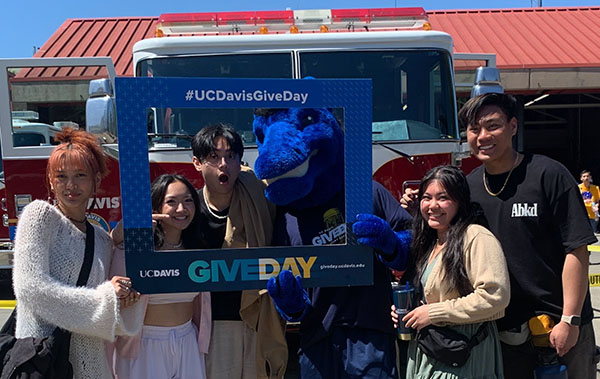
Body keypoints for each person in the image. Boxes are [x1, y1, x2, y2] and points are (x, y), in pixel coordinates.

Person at [402, 93, 597, 378]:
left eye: (492, 126)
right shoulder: (468, 188)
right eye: (474, 129)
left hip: (559, 327)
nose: (482, 136)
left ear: (513, 126)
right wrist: (418, 209)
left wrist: (570, 319)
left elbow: (577, 249)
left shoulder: (548, 175)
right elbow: (448, 239)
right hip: (502, 331)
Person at [12, 128, 140, 379]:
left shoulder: (103, 239)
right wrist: (106, 298)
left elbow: (110, 317)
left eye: (80, 175)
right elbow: (31, 288)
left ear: (96, 181)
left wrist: (124, 301)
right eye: (61, 176)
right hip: (41, 363)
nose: (71, 185)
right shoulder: (39, 216)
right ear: (50, 181)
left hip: (92, 368)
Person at [392, 165, 510, 378]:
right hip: (430, 351)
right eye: (427, 197)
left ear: (460, 201)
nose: (432, 205)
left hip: (464, 355)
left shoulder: (476, 236)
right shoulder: (428, 242)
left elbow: (495, 297)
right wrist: (408, 313)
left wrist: (433, 313)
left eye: (443, 198)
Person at [191, 123, 287, 379]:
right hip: (214, 327)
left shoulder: (259, 196)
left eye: (231, 156)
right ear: (197, 163)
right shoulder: (189, 210)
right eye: (214, 157)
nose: (224, 164)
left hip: (258, 318)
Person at [110, 174, 209, 379]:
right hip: (144, 345)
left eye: (188, 201)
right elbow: (113, 285)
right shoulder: (134, 250)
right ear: (156, 208)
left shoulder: (198, 249)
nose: (181, 210)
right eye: (171, 202)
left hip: (187, 340)